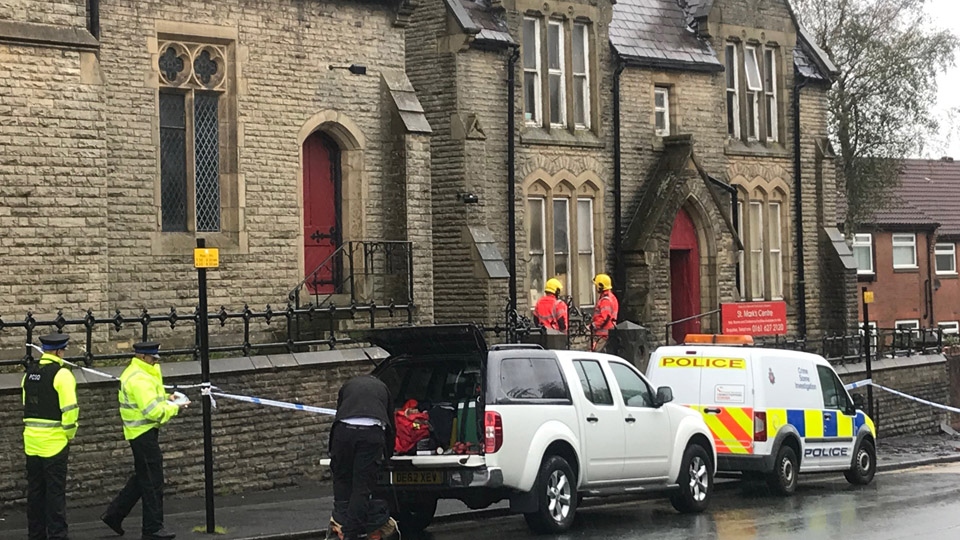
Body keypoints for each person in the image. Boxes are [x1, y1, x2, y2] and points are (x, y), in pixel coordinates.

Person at [101, 342, 186, 540]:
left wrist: (168, 397)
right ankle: (152, 528)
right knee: (153, 481)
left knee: (143, 476)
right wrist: (176, 407)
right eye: (153, 358)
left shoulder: (141, 372)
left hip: (140, 432)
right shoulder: (138, 378)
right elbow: (153, 411)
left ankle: (114, 515)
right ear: (143, 357)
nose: (156, 362)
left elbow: (150, 398)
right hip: (142, 433)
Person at [23, 332, 79, 540]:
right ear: (58, 351)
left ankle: (35, 535)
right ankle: (57, 535)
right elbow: (70, 410)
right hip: (54, 444)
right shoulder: (62, 374)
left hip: (31, 443)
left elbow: (26, 404)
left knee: (35, 493)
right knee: (55, 494)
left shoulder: (29, 373)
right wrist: (69, 435)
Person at [328, 375, 394, 540]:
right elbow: (390, 423)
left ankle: (340, 525)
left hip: (343, 432)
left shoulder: (348, 385)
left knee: (342, 479)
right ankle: (350, 533)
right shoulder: (384, 389)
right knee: (362, 487)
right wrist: (389, 454)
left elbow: (339, 411)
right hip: (371, 434)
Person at [591, 273, 619, 351]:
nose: (596, 287)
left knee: (595, 353)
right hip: (608, 333)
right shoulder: (611, 297)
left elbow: (605, 317)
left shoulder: (605, 300)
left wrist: (592, 326)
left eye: (597, 285)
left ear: (601, 286)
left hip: (603, 335)